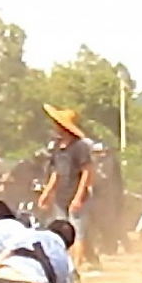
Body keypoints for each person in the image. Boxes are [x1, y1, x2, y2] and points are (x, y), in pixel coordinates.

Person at [38, 104, 93, 269]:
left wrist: (78, 197)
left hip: (76, 195)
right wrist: (47, 192)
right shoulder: (57, 147)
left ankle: (75, 268)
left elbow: (87, 172)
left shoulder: (80, 147)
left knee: (78, 233)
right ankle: (63, 266)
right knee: (61, 233)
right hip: (61, 196)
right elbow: (56, 172)